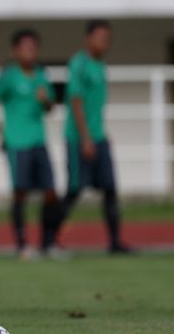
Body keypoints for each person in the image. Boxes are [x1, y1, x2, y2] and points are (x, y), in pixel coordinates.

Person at [0, 29, 61, 259]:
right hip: (17, 142)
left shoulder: (41, 75)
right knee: (20, 193)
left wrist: (46, 101)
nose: (30, 52)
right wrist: (2, 133)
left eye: (34, 47)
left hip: (39, 140)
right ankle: (22, 245)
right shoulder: (9, 76)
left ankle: (48, 243)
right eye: (25, 47)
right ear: (15, 50)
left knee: (51, 192)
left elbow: (50, 107)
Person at [57, 20, 131, 254]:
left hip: (99, 137)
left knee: (110, 189)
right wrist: (86, 138)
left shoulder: (101, 66)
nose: (104, 42)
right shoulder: (79, 64)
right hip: (80, 138)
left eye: (107, 38)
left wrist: (101, 135)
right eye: (100, 37)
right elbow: (76, 102)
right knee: (75, 189)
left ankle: (115, 242)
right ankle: (49, 238)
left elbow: (95, 108)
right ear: (88, 39)